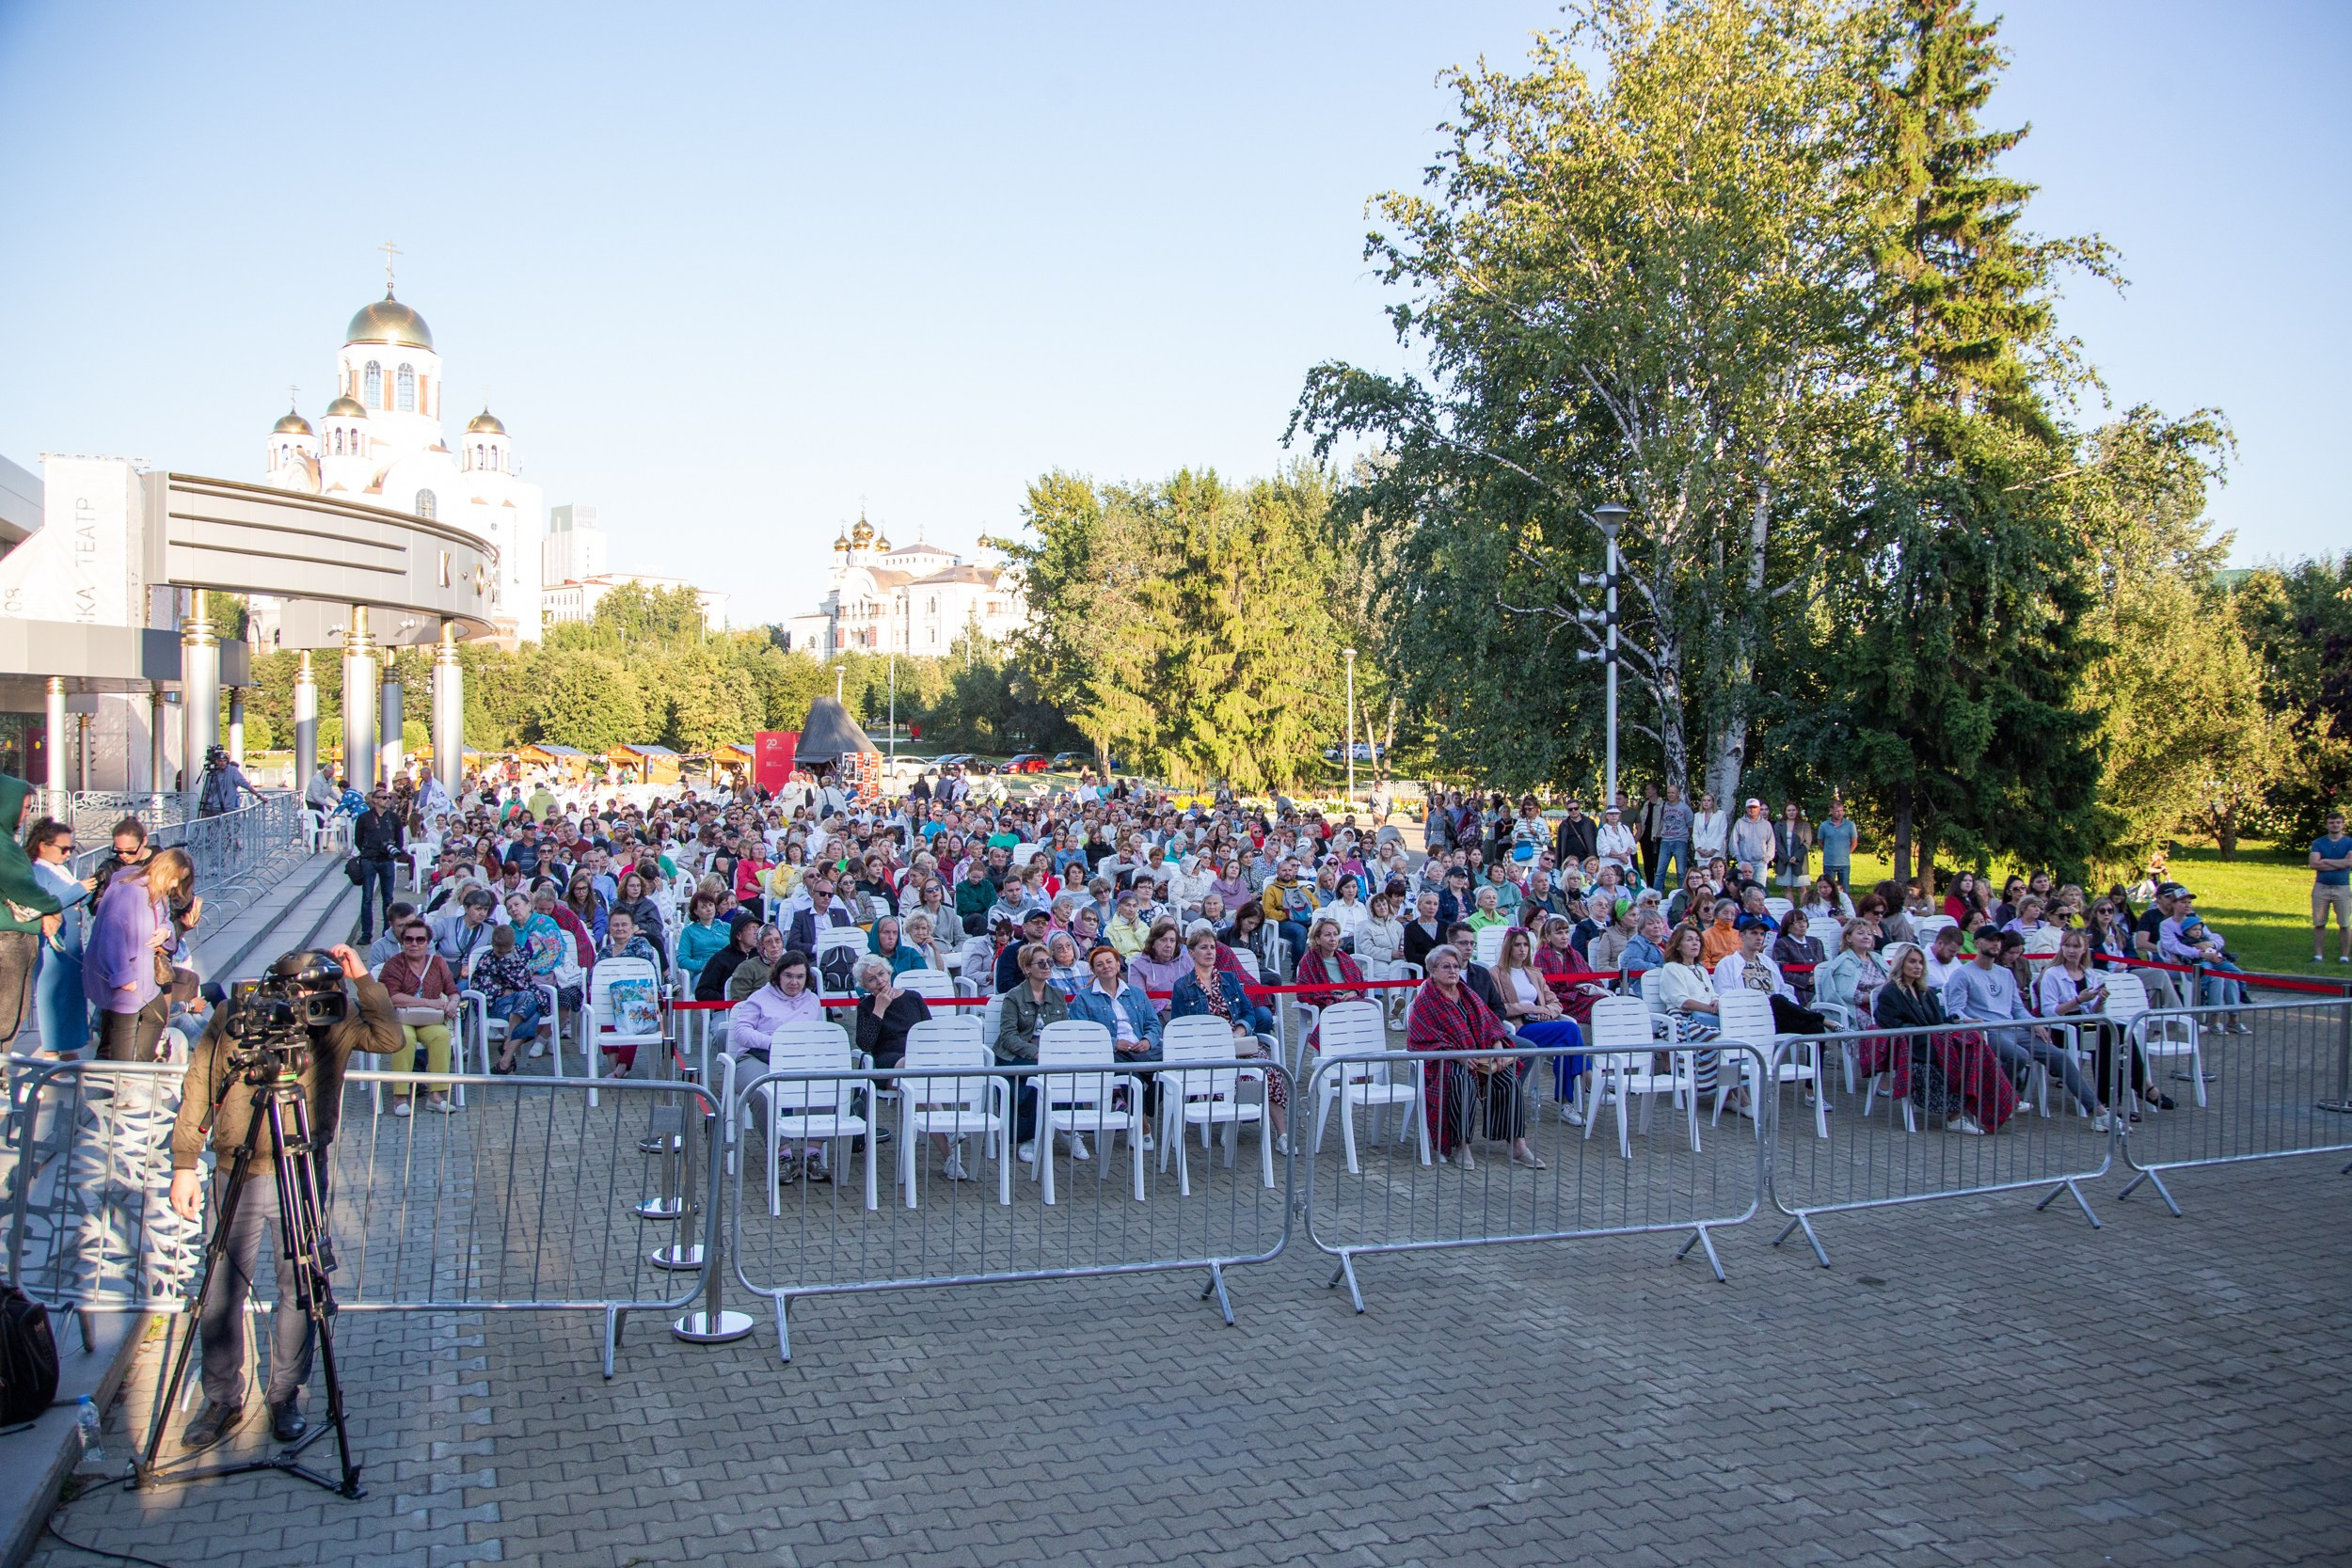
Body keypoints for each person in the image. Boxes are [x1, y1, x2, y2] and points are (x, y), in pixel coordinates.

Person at [167, 945, 400, 1449]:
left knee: (301, 1287)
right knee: (219, 1291)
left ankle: (284, 1395)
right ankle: (222, 1399)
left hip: (301, 1168)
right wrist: (185, 1163)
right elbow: (199, 1085)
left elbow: (389, 1036)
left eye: (326, 992)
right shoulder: (238, 1016)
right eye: (308, 991)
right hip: (237, 1168)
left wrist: (361, 978)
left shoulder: (333, 1020)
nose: (315, 1002)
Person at [1943, 930, 2112, 1128]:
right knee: (2019, 1055)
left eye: (1998, 941)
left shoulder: (2005, 974)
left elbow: (2017, 1009)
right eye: (1991, 940)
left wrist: (2035, 1022)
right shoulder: (1963, 974)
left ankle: (2098, 1112)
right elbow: (1956, 1011)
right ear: (1978, 942)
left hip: (2013, 1028)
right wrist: (1972, 1021)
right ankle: (2003, 1098)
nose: (1996, 944)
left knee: (2059, 1057)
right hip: (1986, 1031)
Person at [1406, 945, 1543, 1170]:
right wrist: (1458, 1056)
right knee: (1462, 1081)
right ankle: (1462, 1145)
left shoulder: (1467, 993)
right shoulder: (1426, 1001)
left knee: (1508, 1080)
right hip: (1447, 1061)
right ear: (1432, 970)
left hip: (1480, 1056)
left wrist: (1497, 1047)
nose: (1452, 971)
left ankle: (1517, 1144)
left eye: (1456, 966)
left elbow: (1490, 1024)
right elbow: (1421, 1040)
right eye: (1446, 966)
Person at [1869, 942, 2017, 1134]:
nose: (1918, 967)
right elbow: (1892, 1025)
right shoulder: (1890, 992)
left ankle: (2000, 1101)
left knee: (1976, 1046)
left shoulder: (1926, 991)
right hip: (1912, 1048)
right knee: (1961, 1056)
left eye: (1921, 963)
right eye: (1912, 962)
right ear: (1900, 964)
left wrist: (1957, 1021)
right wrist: (1931, 1031)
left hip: (1934, 1043)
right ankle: (1957, 1117)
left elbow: (1938, 1021)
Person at [1168, 927, 1287, 1150]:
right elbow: (1179, 1026)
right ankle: (1231, 1124)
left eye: (1212, 947)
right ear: (1191, 953)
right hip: (1203, 1048)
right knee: (1235, 1073)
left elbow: (1248, 1012)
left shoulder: (1229, 980)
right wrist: (1210, 1040)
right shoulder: (1182, 986)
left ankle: (1282, 1134)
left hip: (1236, 1042)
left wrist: (1240, 1030)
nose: (1209, 952)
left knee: (1269, 1069)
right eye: (1203, 947)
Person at [2038, 927, 2165, 1117]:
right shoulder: (2052, 974)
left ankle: (2120, 1096)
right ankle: (2140, 1087)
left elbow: (2092, 1010)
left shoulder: (2089, 974)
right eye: (2067, 945)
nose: (2071, 950)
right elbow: (2049, 1011)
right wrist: (2078, 1000)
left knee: (2120, 1031)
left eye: (2076, 946)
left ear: (2084, 949)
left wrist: (2099, 1000)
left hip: (2087, 1022)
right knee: (2107, 1036)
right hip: (2063, 1027)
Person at [86, 847, 196, 1063]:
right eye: (174, 879)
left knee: (155, 1017)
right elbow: (112, 935)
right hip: (126, 974)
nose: (174, 885)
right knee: (123, 1033)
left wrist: (166, 930)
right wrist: (123, 976)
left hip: (143, 974)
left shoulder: (155, 890)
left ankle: (142, 1068)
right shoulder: (131, 891)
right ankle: (124, 1078)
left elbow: (164, 921)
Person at [0, 777, 67, 1051]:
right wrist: (52, 906)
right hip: (9, 941)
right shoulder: (3, 847)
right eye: (25, 806)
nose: (27, 813)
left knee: (12, 1014)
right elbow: (23, 887)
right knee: (6, 1016)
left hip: (13, 938)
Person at [995, 942, 1069, 1163]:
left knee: (1068, 1072)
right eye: (1041, 963)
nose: (1047, 967)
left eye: (1050, 962)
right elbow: (1008, 1036)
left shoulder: (1058, 994)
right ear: (1027, 968)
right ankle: (1029, 1136)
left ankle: (1068, 1129)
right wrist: (1034, 1052)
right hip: (1017, 1053)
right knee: (1032, 1078)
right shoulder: (1013, 996)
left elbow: (1064, 1029)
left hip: (1049, 1052)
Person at [24, 816, 91, 1056]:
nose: (67, 854)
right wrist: (79, 890)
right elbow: (45, 903)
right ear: (43, 846)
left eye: (71, 849)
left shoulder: (59, 869)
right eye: (63, 849)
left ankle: (69, 1049)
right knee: (52, 996)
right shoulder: (37, 870)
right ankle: (52, 1053)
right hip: (53, 945)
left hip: (70, 942)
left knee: (71, 996)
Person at [379, 919, 459, 1114]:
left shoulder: (438, 963)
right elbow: (392, 996)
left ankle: (436, 1096)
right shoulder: (395, 964)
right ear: (402, 942)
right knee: (405, 1038)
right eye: (409, 939)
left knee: (441, 1036)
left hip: (429, 1019)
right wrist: (429, 1003)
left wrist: (453, 1002)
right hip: (402, 1018)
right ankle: (400, 1098)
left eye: (420, 939)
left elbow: (453, 989)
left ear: (428, 942)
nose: (414, 944)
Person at [472, 924, 543, 1073]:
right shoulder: (487, 960)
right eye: (499, 953)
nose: (504, 956)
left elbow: (525, 981)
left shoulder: (522, 954)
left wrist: (514, 990)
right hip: (498, 1005)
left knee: (528, 1000)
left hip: (521, 1001)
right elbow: (483, 987)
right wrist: (511, 990)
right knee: (531, 1007)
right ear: (492, 945)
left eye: (508, 952)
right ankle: (508, 1047)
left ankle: (505, 1059)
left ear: (514, 943)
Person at [851, 955, 930, 1070]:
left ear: (889, 973)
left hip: (918, 1052)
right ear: (865, 986)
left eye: (881, 974)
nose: (879, 981)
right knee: (910, 1063)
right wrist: (879, 1008)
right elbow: (865, 1045)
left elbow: (929, 1031)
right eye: (871, 979)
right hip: (887, 1057)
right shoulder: (865, 1006)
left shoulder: (913, 997)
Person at [350, 787, 405, 944]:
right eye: (383, 798)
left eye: (389, 798)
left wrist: (393, 850)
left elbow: (399, 840)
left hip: (387, 861)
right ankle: (366, 934)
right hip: (369, 860)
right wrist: (368, 851)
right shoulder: (364, 818)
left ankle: (387, 932)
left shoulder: (393, 818)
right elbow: (358, 839)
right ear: (374, 800)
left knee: (388, 898)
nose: (387, 800)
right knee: (367, 897)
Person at [1817, 918, 1887, 1026]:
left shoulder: (1877, 958)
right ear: (1848, 938)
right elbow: (1843, 994)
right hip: (1856, 1009)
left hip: (1882, 1004)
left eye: (1869, 934)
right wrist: (1871, 997)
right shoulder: (1844, 962)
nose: (1866, 937)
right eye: (1860, 933)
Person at [2311, 809, 2352, 964]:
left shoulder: (2349, 842)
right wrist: (2340, 864)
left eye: (2338, 822)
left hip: (2342, 888)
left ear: (2342, 825)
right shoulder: (2318, 843)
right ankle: (2318, 955)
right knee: (2319, 922)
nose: (2335, 825)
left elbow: (2350, 863)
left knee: (2344, 923)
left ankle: (2344, 957)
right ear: (2327, 825)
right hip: (2321, 887)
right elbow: (2314, 863)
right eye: (2331, 823)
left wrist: (2326, 861)